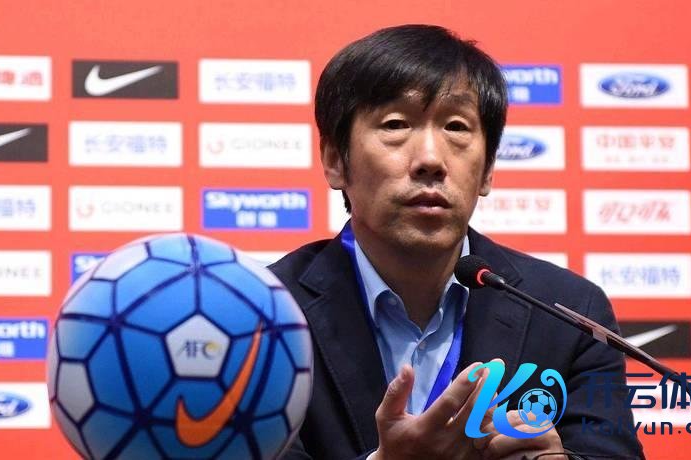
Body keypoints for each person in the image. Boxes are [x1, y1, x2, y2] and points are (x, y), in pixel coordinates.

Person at [270, 24, 644, 460]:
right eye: (396, 124)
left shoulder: (569, 313)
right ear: (335, 160)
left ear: (488, 170)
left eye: (456, 127)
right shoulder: (266, 316)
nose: (431, 159)